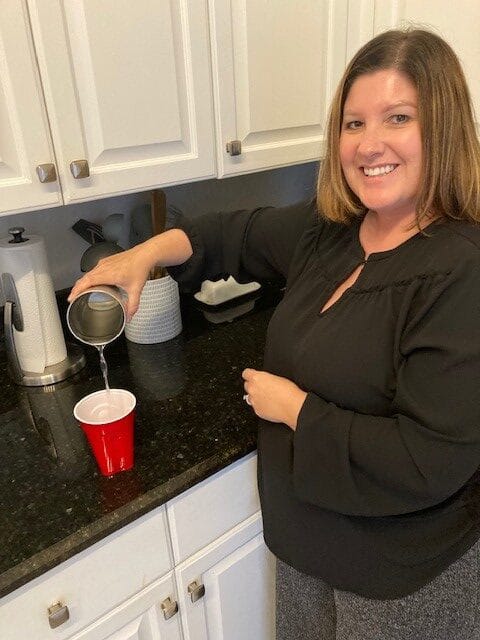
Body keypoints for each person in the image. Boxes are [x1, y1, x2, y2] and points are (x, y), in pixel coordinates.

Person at [69, 28, 480, 640]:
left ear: (442, 129)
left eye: (398, 118)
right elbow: (230, 233)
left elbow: (427, 460)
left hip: (398, 575)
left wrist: (295, 409)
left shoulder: (460, 269)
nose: (370, 145)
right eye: (353, 123)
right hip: (305, 542)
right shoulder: (331, 230)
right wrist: (142, 256)